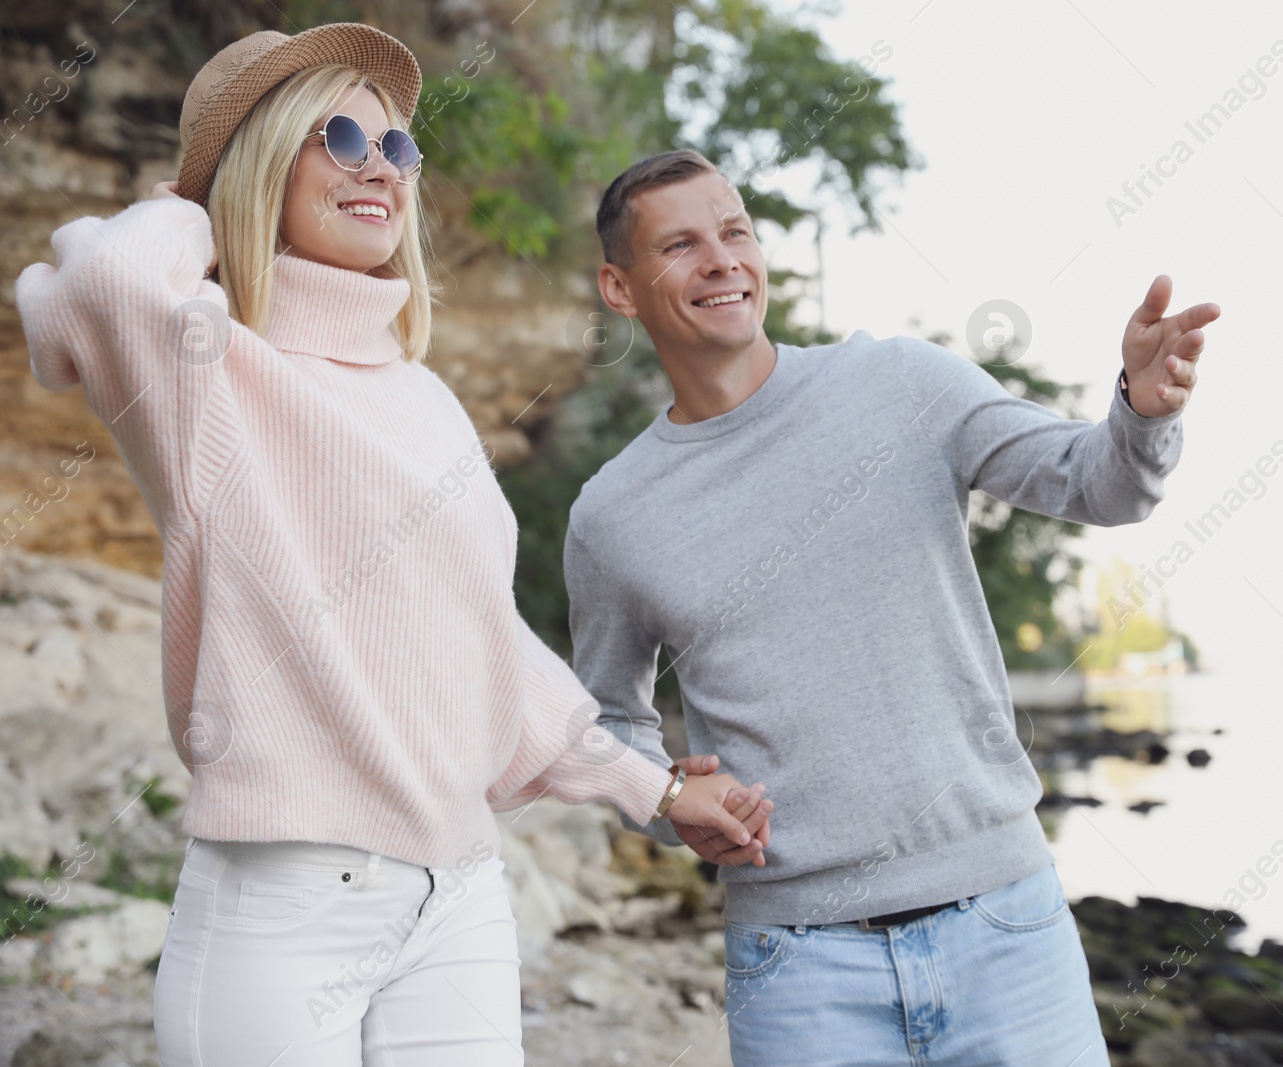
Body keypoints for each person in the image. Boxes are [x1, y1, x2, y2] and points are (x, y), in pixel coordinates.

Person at [15, 28, 770, 1065]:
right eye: (336, 135)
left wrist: (659, 790)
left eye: (400, 147)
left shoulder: (424, 398)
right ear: (264, 160)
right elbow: (100, 281)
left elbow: (486, 649)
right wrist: (209, 180)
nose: (380, 166)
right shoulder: (204, 365)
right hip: (281, 906)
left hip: (457, 890)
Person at [566, 147, 1219, 1066]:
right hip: (796, 969)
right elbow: (604, 720)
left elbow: (1095, 484)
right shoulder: (613, 515)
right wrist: (667, 796)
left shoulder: (903, 385)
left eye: (734, 231)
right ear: (620, 288)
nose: (720, 259)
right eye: (679, 245)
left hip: (1007, 929)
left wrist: (1142, 416)